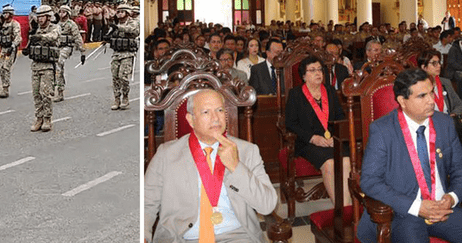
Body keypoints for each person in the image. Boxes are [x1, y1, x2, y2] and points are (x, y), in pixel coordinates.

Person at [144, 89, 277, 243]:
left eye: (220, 110)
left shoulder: (247, 151)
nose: (215, 118)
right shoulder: (166, 154)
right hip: (182, 237)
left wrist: (236, 167)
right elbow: (147, 203)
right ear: (191, 120)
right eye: (206, 112)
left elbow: (267, 205)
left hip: (236, 236)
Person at [357, 68, 462, 243]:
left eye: (431, 93)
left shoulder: (445, 123)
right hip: (402, 213)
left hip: (442, 208)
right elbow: (369, 181)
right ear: (402, 101)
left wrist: (452, 197)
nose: (431, 101)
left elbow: (459, 169)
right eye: (422, 96)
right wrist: (417, 207)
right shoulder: (383, 130)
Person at [285, 55, 351, 206]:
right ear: (303, 76)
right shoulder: (295, 94)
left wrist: (335, 136)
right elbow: (291, 123)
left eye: (320, 70)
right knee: (329, 163)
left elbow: (340, 116)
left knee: (346, 161)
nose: (318, 73)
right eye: (312, 70)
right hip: (308, 142)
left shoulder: (330, 91)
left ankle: (346, 208)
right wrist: (312, 138)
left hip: (331, 140)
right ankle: (339, 208)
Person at [22, 5, 60, 132]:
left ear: (49, 17)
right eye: (38, 17)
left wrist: (40, 37)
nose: (39, 19)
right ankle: (39, 118)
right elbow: (30, 44)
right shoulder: (36, 30)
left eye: (42, 16)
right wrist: (27, 48)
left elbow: (53, 37)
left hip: (48, 66)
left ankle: (47, 119)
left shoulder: (55, 28)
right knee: (36, 94)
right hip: (36, 65)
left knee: (46, 94)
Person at [107, 4, 140, 110]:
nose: (119, 14)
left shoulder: (133, 22)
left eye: (122, 11)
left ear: (127, 13)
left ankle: (125, 97)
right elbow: (111, 34)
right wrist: (107, 37)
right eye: (118, 12)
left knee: (123, 77)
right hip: (116, 53)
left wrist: (118, 27)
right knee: (115, 77)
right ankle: (117, 98)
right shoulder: (115, 24)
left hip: (127, 54)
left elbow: (133, 30)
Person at [54, 5, 86, 102]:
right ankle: (56, 88)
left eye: (63, 12)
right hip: (56, 47)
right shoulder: (56, 24)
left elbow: (77, 37)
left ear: (68, 13)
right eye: (60, 11)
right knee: (54, 68)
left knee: (59, 63)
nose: (61, 14)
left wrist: (82, 52)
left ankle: (59, 91)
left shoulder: (71, 24)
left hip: (66, 47)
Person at [418, 49, 462, 119]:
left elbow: (459, 104)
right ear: (424, 67)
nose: (439, 66)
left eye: (439, 63)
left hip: (448, 122)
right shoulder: (418, 87)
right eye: (434, 63)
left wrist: (453, 114)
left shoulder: (445, 82)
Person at [0, 5, 22, 98]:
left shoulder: (14, 24)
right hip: (3, 49)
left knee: (6, 68)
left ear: (11, 14)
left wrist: (12, 47)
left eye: (6, 13)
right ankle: (4, 85)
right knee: (1, 69)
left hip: (10, 49)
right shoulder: (2, 25)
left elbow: (18, 37)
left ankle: (5, 88)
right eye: (3, 13)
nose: (4, 15)